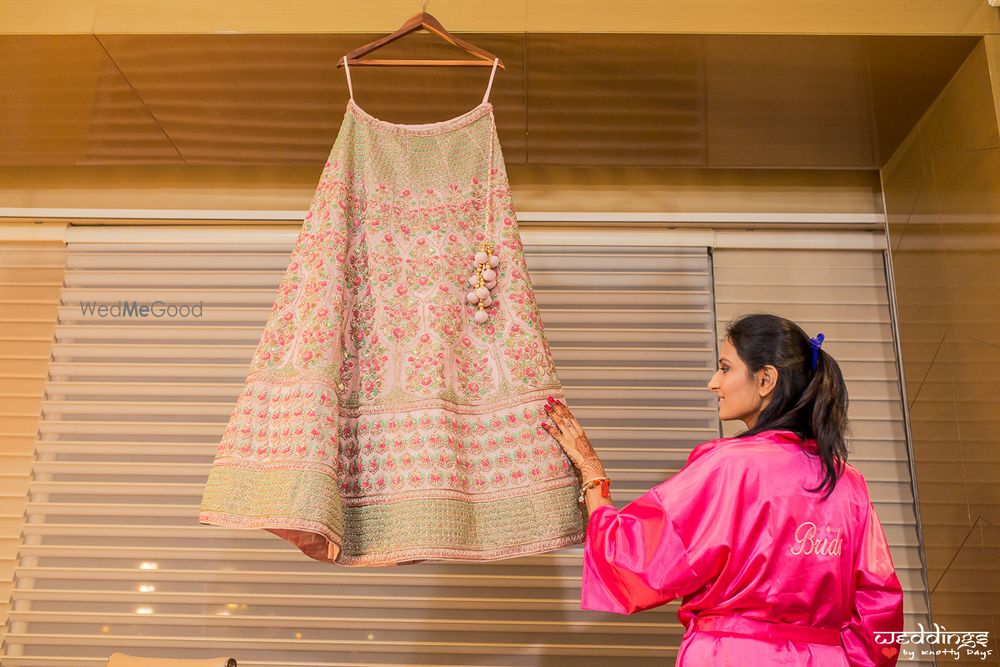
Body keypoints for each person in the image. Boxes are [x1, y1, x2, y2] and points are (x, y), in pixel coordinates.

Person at [542, 313, 905, 666]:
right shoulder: (847, 481)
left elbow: (632, 557)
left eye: (725, 367)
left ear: (765, 380)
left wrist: (592, 474)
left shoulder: (728, 466)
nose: (713, 382)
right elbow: (879, 604)